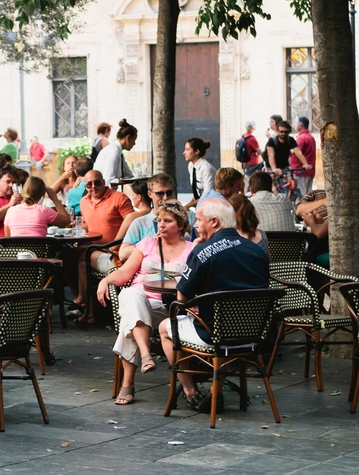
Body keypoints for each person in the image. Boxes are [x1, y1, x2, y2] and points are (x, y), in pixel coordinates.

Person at [159, 198, 268, 409]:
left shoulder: (202, 252)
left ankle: (190, 392)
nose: (196, 225)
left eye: (199, 220)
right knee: (223, 329)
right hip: (253, 335)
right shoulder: (256, 250)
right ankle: (215, 391)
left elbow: (182, 299)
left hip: (213, 335)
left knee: (166, 327)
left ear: (214, 222)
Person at [99, 201, 195, 405]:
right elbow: (125, 273)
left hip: (171, 308)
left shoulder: (192, 250)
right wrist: (105, 280)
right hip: (142, 302)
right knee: (131, 296)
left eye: (167, 221)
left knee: (129, 319)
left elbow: (195, 283)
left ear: (180, 225)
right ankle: (145, 354)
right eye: (159, 220)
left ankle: (128, 384)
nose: (161, 224)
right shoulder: (146, 244)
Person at [296, 189, 359, 268]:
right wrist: (323, 223)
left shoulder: (343, 206)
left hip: (358, 256)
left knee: (311, 256)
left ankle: (315, 284)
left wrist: (311, 222)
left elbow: (317, 234)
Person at [80, 169, 136, 273]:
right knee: (69, 257)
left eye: (96, 182)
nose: (93, 187)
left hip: (114, 250)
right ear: (85, 187)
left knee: (78, 258)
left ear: (103, 182)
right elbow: (88, 223)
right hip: (93, 247)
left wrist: (116, 246)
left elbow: (133, 225)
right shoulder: (84, 201)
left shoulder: (119, 198)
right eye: (89, 184)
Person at [118, 174, 177, 262]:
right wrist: (151, 243)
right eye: (160, 194)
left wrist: (187, 228)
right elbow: (123, 253)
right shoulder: (140, 222)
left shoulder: (188, 217)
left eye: (169, 193)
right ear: (149, 194)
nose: (165, 198)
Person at [3, 176, 71, 237]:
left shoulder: (11, 211)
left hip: (17, 250)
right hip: (39, 250)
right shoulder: (44, 210)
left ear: (24, 190)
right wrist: (54, 199)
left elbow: (8, 238)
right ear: (41, 195)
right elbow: (66, 221)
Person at [94, 120, 137, 185]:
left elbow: (128, 175)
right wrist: (127, 181)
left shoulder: (118, 151)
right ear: (128, 138)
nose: (134, 143)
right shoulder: (113, 151)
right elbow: (108, 180)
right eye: (134, 140)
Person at [184, 138, 216, 206]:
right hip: (199, 203)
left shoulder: (207, 169)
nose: (184, 153)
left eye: (187, 150)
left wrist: (188, 205)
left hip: (210, 205)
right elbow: (197, 190)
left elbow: (208, 196)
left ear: (197, 151)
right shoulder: (191, 165)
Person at [293, 117, 317, 195]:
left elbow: (297, 152)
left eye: (296, 124)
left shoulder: (301, 138)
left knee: (302, 194)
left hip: (301, 170)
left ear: (300, 126)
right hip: (310, 170)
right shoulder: (311, 137)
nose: (295, 125)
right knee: (308, 193)